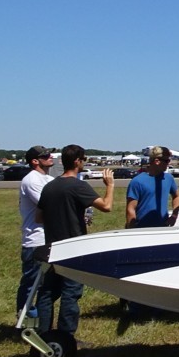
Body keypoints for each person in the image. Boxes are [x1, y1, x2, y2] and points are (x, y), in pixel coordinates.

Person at [35, 145, 114, 340]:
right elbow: (106, 206)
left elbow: (38, 217)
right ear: (77, 161)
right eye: (84, 159)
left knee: (47, 293)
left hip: (51, 248)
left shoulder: (50, 186)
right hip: (73, 249)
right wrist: (110, 185)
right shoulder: (78, 186)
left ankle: (43, 335)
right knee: (70, 293)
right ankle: (66, 338)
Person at [15, 145, 56, 319]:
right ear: (35, 161)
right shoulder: (32, 180)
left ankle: (41, 320)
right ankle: (25, 318)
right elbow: (49, 206)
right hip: (35, 240)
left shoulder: (48, 179)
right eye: (45, 155)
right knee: (32, 283)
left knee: (48, 285)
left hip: (49, 237)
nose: (50, 157)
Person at [127, 146, 179, 228]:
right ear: (157, 161)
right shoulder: (137, 181)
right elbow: (130, 209)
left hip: (163, 228)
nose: (168, 163)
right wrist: (131, 231)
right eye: (167, 160)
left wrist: (174, 216)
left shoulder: (169, 178)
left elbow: (177, 196)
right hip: (142, 229)